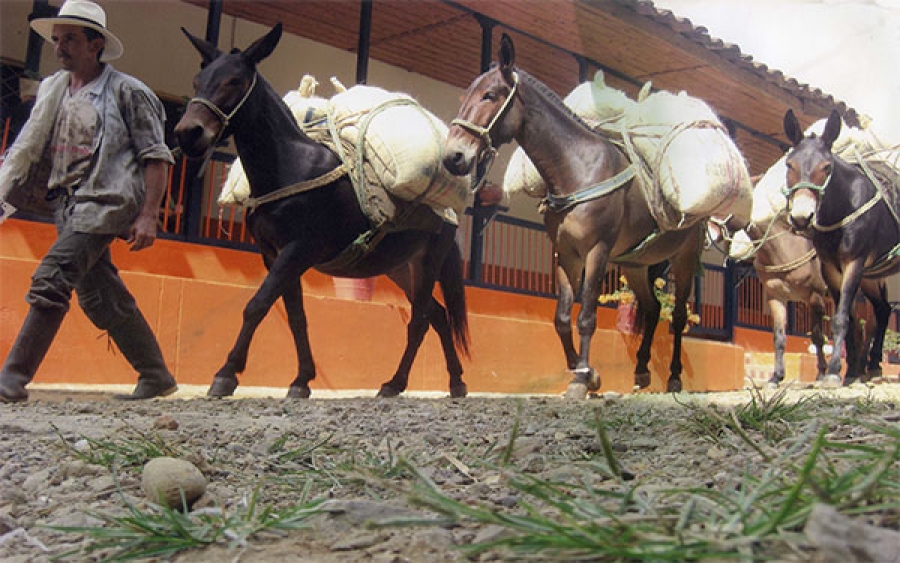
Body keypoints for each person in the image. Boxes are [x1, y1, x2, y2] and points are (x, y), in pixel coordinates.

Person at [0, 0, 177, 402]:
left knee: (52, 278)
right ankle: (155, 374)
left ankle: (12, 378)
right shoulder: (55, 90)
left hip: (106, 202)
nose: (59, 47)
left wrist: (149, 214)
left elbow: (156, 156)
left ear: (96, 45)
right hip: (66, 203)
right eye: (57, 39)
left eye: (70, 39)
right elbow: (31, 147)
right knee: (101, 297)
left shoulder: (128, 91)